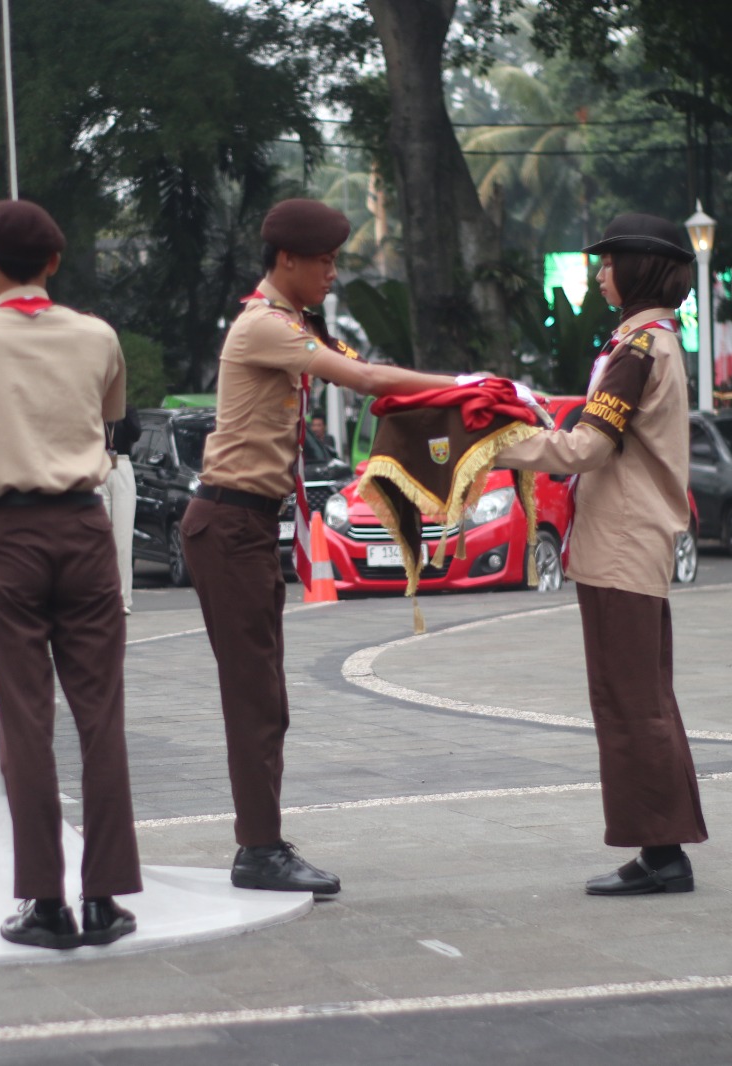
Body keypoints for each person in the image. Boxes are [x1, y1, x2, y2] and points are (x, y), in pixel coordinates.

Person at [182, 198, 459, 895]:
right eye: (326, 261)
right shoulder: (263, 328)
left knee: (264, 693)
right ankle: (259, 850)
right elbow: (365, 380)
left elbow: (362, 369)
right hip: (229, 525)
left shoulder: (290, 324)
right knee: (255, 696)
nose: (334, 273)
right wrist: (465, 388)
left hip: (246, 525)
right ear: (286, 262)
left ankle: (264, 839)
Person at [0, 199, 142, 949]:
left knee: (27, 721)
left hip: (9, 535)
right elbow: (110, 418)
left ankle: (45, 901)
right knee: (100, 716)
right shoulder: (98, 336)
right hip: (83, 527)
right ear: (53, 263)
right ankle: (106, 897)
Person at [496, 212, 708, 896]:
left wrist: (499, 446)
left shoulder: (638, 351)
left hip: (621, 545)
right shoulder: (650, 343)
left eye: (610, 260)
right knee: (641, 699)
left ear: (641, 268)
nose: (600, 271)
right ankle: (660, 845)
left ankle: (663, 852)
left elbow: (588, 447)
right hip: (627, 544)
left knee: (632, 703)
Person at [98, 404, 140, 614]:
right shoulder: (93, 404)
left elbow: (136, 433)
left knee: (123, 538)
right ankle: (101, 596)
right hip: (97, 464)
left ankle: (122, 598)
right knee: (100, 538)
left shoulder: (125, 408)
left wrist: (122, 410)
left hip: (121, 464)